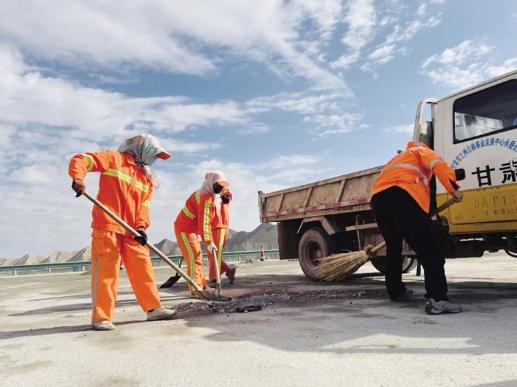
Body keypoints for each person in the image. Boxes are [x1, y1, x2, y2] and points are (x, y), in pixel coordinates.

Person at [69, 134, 177, 331]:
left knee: (143, 269)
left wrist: (142, 226)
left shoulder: (146, 177)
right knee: (106, 274)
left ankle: (153, 309)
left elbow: (144, 206)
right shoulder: (113, 159)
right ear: (141, 149)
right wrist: (78, 177)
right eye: (154, 154)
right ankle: (101, 317)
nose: (154, 159)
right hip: (108, 226)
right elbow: (81, 160)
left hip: (132, 231)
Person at [370, 140, 463, 315]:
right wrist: (454, 189)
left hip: (378, 200)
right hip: (402, 195)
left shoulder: (397, 158)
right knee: (430, 249)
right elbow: (439, 165)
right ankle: (438, 299)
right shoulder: (421, 151)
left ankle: (396, 291)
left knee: (394, 248)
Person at [174, 172, 229, 296]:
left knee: (197, 257)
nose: (220, 188)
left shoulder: (207, 194)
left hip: (191, 230)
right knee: (194, 257)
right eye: (218, 185)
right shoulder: (205, 197)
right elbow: (204, 222)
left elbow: (205, 221)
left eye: (222, 186)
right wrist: (209, 242)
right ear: (210, 183)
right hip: (184, 229)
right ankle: (195, 288)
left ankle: (202, 286)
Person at [206, 190, 236, 288]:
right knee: (214, 254)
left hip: (218, 228)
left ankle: (215, 279)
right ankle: (228, 269)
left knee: (214, 254)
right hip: (220, 228)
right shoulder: (222, 202)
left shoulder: (217, 200)